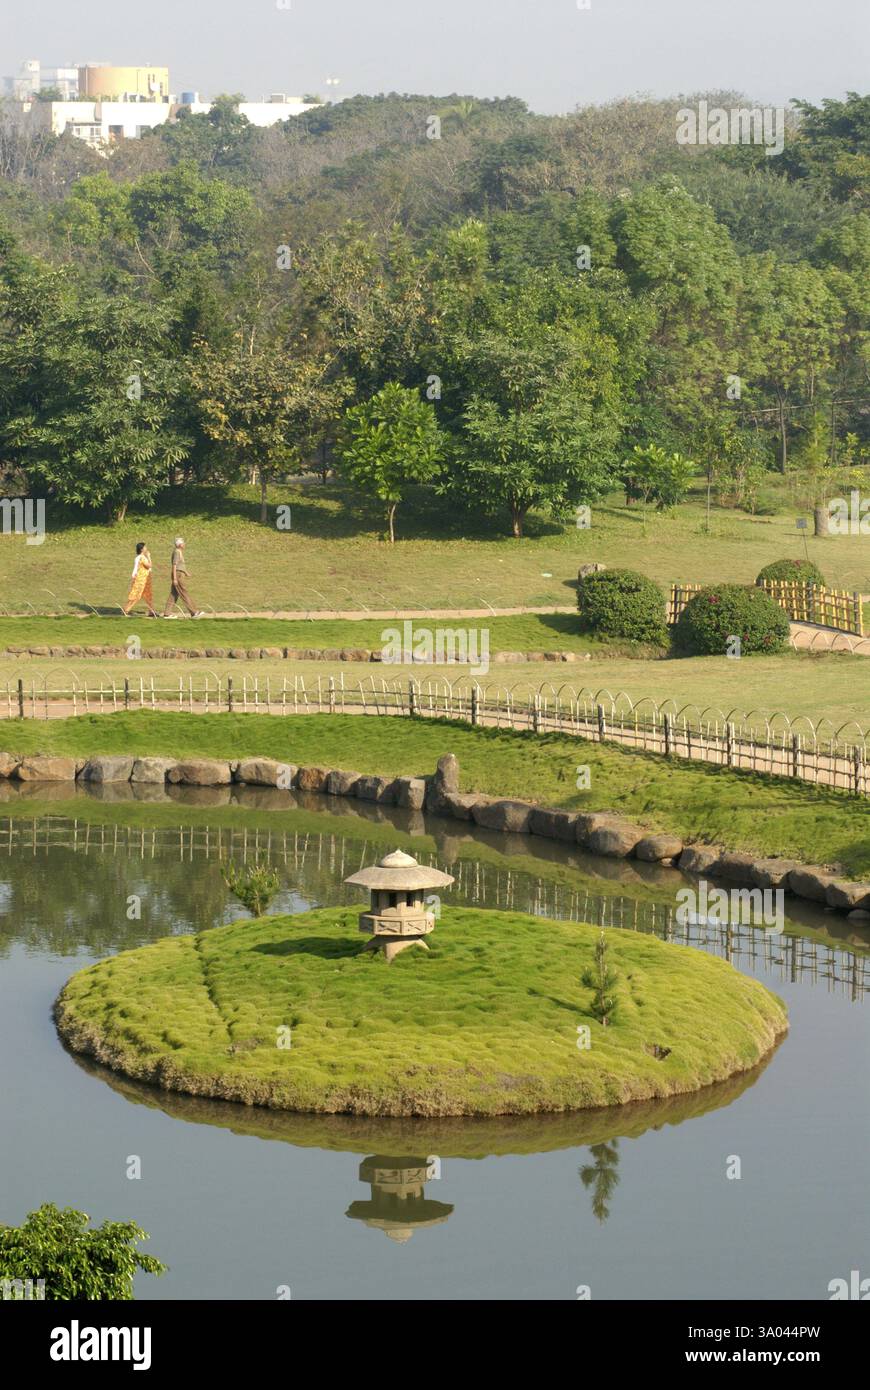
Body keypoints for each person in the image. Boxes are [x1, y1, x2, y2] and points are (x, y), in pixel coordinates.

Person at [163, 537, 203, 618]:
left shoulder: (179, 551)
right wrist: (174, 578)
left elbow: (181, 565)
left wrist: (186, 572)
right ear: (180, 545)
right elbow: (174, 566)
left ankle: (167, 613)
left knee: (173, 594)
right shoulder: (177, 552)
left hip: (180, 574)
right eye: (183, 543)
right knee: (184, 593)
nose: (184, 544)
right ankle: (194, 612)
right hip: (178, 575)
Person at [122, 542, 157, 617]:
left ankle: (152, 611)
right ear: (141, 549)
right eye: (145, 547)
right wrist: (149, 556)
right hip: (141, 579)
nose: (146, 548)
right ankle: (126, 610)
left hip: (145, 579)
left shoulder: (138, 557)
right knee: (136, 595)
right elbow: (149, 566)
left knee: (148, 595)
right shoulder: (142, 558)